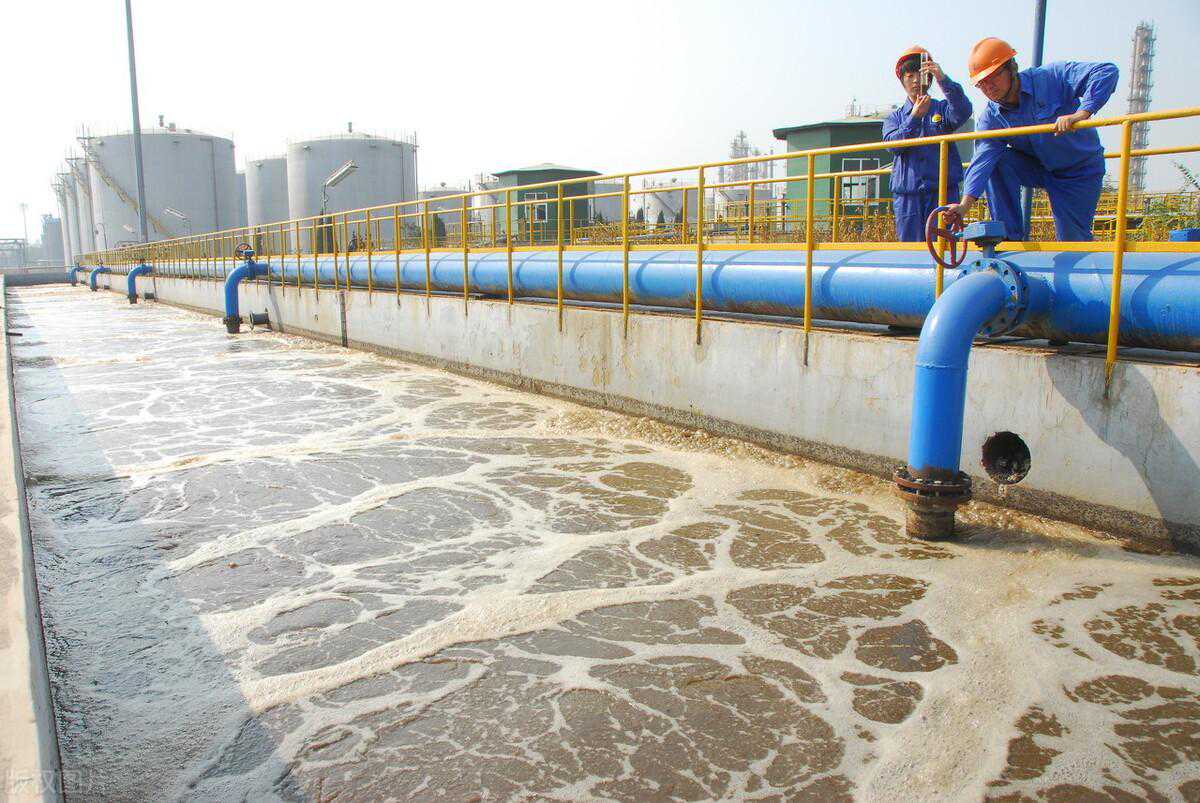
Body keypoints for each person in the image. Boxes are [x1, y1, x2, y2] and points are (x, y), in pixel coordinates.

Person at [942, 37, 1118, 241]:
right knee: (997, 160)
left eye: (992, 77)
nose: (988, 87)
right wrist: (964, 205)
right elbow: (982, 160)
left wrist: (1081, 114)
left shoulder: (1051, 78)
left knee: (1072, 244)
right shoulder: (992, 116)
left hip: (1079, 171)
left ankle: (1091, 253)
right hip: (1040, 168)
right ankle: (1009, 238)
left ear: (1012, 68)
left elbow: (1106, 72)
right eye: (981, 83)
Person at [881, 46, 973, 242]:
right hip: (908, 197)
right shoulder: (894, 118)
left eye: (921, 75)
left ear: (929, 78)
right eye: (910, 75)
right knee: (911, 251)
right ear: (902, 80)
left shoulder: (941, 109)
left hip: (942, 193)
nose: (915, 81)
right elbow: (892, 145)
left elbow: (963, 111)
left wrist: (943, 79)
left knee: (946, 248)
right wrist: (914, 118)